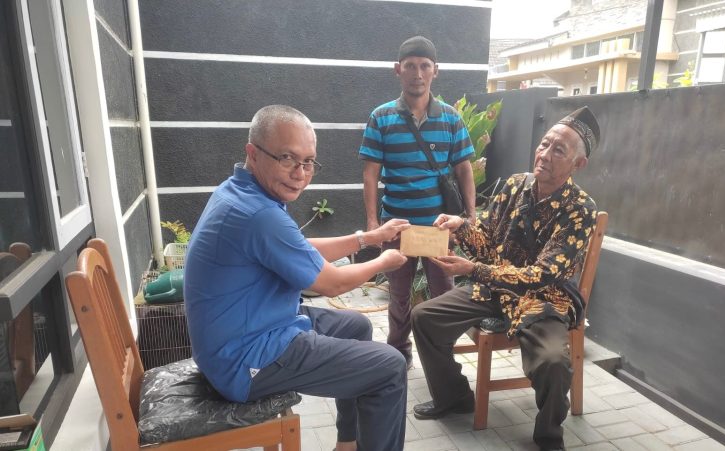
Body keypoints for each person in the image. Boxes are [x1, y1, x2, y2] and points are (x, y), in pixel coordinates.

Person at [184, 105, 411, 451]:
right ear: (253, 153)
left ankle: (347, 444)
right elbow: (332, 283)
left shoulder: (240, 191)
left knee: (356, 326)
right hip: (244, 358)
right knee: (391, 367)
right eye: (287, 158)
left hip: (251, 327)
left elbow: (298, 248)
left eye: (308, 162)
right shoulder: (259, 214)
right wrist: (383, 261)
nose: (300, 173)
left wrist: (368, 238)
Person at [411, 106, 601, 451]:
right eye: (544, 144)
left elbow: (543, 274)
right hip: (494, 288)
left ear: (579, 163)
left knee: (553, 362)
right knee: (424, 317)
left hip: (542, 299)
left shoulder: (580, 208)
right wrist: (460, 226)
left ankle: (548, 435)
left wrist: (474, 270)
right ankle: (454, 396)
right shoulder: (515, 185)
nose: (545, 154)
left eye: (559, 150)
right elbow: (487, 239)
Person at [359, 36, 476, 367]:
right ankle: (399, 352)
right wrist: (373, 224)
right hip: (397, 226)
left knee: (444, 294)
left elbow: (464, 169)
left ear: (435, 71)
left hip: (437, 228)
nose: (418, 73)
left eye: (425, 66)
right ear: (398, 70)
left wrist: (469, 217)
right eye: (410, 66)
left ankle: (441, 355)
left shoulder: (451, 119)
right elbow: (370, 174)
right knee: (398, 294)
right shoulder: (381, 117)